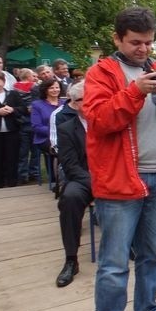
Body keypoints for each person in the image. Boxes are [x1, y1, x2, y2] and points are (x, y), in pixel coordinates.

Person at [83, 7, 156, 311]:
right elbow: (100, 121)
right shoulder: (101, 73)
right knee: (114, 263)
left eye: (148, 42)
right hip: (120, 181)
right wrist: (134, 92)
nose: (143, 49)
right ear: (117, 38)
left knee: (153, 256)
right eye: (135, 42)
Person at [54, 81, 93, 287]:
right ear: (74, 103)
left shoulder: (109, 123)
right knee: (69, 198)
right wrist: (94, 182)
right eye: (81, 100)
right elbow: (70, 165)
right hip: (83, 178)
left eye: (91, 98)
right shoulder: (66, 128)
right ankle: (71, 259)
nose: (87, 103)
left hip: (111, 177)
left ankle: (128, 244)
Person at [0, 70, 26, 187]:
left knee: (12, 157)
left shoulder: (13, 94)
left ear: (3, 82)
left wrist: (13, 110)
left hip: (12, 131)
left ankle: (12, 182)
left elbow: (23, 109)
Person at [31, 79, 66, 184]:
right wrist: (55, 131)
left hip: (64, 136)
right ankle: (56, 180)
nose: (55, 90)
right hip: (45, 138)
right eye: (51, 88)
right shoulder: (37, 105)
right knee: (58, 148)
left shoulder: (65, 103)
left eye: (57, 87)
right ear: (45, 90)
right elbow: (36, 126)